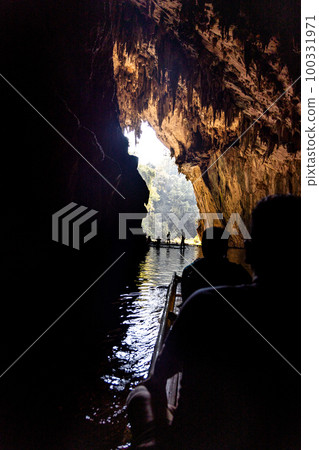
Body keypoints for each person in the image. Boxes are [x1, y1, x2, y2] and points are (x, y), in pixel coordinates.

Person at [127, 195, 301, 449]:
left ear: (250, 251)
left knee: (139, 395)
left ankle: (155, 440)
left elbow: (160, 376)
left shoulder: (202, 300)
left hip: (200, 437)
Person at [181, 226, 251, 302]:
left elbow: (186, 300)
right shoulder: (240, 273)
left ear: (204, 247)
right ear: (225, 248)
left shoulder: (189, 272)